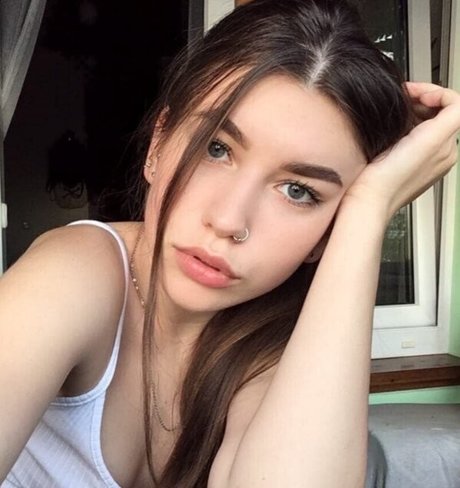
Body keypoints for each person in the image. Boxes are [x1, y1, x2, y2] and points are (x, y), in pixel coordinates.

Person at [1, 0, 459, 486]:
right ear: (157, 145)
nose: (227, 221)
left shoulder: (271, 349)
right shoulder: (75, 273)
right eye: (215, 148)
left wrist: (368, 210)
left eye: (298, 191)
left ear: (328, 232)